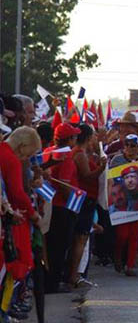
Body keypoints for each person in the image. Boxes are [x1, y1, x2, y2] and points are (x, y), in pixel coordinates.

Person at [1, 127, 42, 284]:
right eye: (27, 154)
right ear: (22, 146)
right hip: (12, 216)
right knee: (16, 262)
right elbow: (17, 193)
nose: (25, 158)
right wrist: (33, 213)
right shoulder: (11, 159)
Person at [44, 122, 80, 292]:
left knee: (50, 246)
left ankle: (49, 281)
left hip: (48, 205)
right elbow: (65, 186)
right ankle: (53, 283)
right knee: (59, 247)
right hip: (62, 208)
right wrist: (74, 202)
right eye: (74, 136)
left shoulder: (48, 152)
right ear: (70, 139)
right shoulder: (66, 157)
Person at [110, 135, 138, 276]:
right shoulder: (117, 160)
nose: (130, 148)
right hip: (121, 203)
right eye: (127, 145)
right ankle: (117, 256)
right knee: (122, 235)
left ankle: (130, 265)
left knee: (134, 235)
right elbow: (110, 180)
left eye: (133, 145)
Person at [70, 124, 106, 287]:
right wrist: (101, 168)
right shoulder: (79, 154)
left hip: (87, 199)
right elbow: (87, 176)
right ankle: (74, 275)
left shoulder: (84, 153)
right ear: (88, 137)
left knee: (82, 239)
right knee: (81, 238)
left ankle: (75, 274)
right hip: (85, 199)